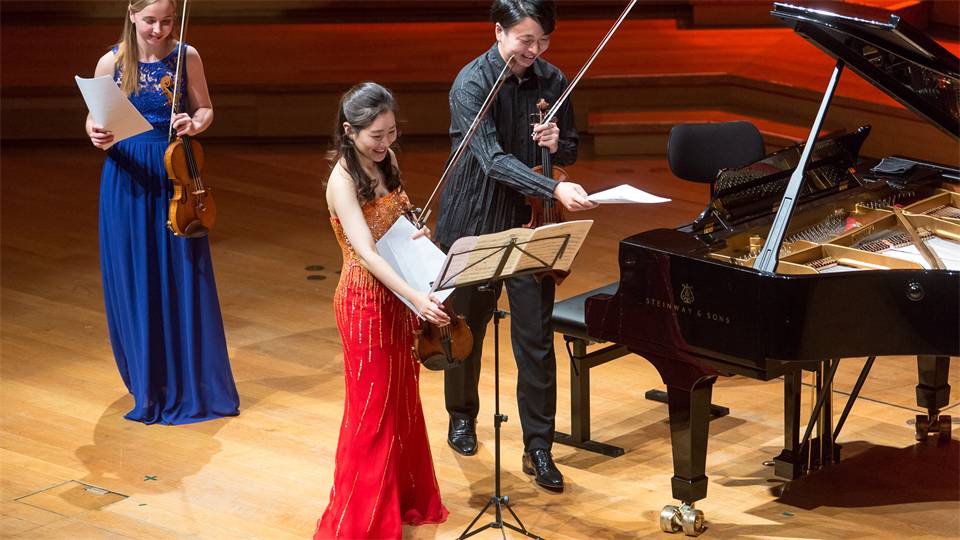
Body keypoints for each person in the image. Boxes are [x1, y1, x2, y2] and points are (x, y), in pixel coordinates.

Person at [435, 0, 597, 493]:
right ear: (499, 32)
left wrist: (555, 145)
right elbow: (490, 159)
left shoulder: (553, 80)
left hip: (532, 226)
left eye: (543, 41)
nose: (535, 50)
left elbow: (572, 146)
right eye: (526, 40)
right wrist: (554, 188)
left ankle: (539, 447)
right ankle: (462, 415)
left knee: (536, 340)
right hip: (476, 219)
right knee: (466, 328)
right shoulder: (471, 84)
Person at [85, 0, 239, 425]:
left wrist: (196, 123)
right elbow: (94, 118)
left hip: (174, 173)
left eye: (167, 21)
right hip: (126, 177)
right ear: (132, 14)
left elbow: (205, 109)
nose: (159, 29)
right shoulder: (111, 62)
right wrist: (94, 131)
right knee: (135, 273)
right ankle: (148, 382)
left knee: (182, 272)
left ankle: (189, 379)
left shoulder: (187, 56)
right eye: (150, 21)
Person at [315, 82, 449, 539]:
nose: (386, 142)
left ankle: (401, 500)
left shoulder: (386, 159)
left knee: (402, 404)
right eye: (376, 135)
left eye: (391, 132)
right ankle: (362, 522)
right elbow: (367, 253)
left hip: (398, 297)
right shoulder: (342, 181)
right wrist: (417, 297)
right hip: (365, 304)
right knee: (371, 413)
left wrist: (419, 232)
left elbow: (398, 220)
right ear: (349, 131)